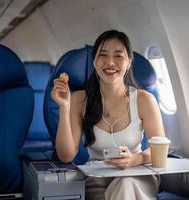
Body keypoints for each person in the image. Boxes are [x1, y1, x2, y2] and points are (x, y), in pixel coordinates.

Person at [51, 30, 165, 200]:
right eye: (103, 55)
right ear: (95, 61)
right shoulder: (80, 99)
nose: (110, 62)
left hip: (136, 176)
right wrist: (64, 107)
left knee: (126, 185)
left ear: (128, 62)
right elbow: (66, 156)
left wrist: (135, 159)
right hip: (97, 180)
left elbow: (159, 151)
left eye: (118, 56)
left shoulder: (144, 100)